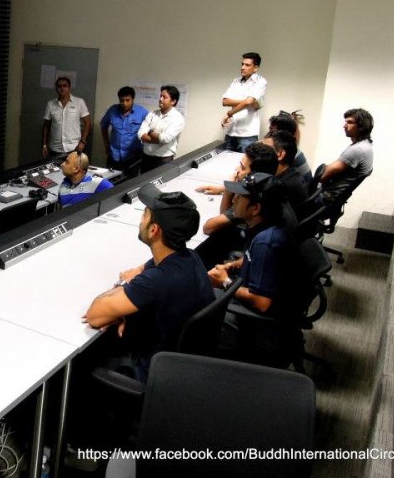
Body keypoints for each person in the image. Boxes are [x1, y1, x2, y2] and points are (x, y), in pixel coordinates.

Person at [83, 187, 214, 382]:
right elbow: (144, 270)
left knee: (86, 359)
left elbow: (95, 316)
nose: (140, 221)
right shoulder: (189, 257)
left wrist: (120, 297)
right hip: (183, 366)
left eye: (144, 216)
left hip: (149, 372)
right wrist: (127, 307)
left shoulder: (156, 281)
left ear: (153, 230)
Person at [207, 173, 294, 360]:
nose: (235, 199)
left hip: (258, 328)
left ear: (255, 208)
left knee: (192, 301)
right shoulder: (268, 226)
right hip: (260, 305)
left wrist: (225, 282)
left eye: (240, 197)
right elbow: (252, 258)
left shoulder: (266, 242)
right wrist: (231, 265)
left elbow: (262, 303)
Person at [193, 142, 279, 268]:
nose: (237, 170)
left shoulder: (253, 201)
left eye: (243, 168)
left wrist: (229, 189)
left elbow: (209, 227)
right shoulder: (272, 191)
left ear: (254, 176)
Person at [319, 108, 374, 207]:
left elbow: (322, 177)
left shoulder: (358, 149)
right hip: (332, 199)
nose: (344, 126)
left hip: (323, 199)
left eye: (350, 122)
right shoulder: (365, 146)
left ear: (361, 127)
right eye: (345, 122)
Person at [99, 86, 149, 177]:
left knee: (129, 183)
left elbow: (149, 130)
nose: (124, 103)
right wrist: (106, 143)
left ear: (133, 99)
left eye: (127, 100)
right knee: (111, 182)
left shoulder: (142, 112)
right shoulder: (113, 110)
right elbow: (103, 125)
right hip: (114, 155)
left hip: (133, 156)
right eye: (122, 100)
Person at [221, 52, 267, 152]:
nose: (242, 67)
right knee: (225, 164)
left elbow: (248, 102)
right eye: (242, 64)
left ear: (255, 68)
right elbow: (225, 101)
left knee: (246, 165)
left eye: (247, 65)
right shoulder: (236, 81)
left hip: (248, 135)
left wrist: (229, 113)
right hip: (231, 132)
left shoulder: (261, 81)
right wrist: (249, 101)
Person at [137, 85, 185, 173]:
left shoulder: (178, 118)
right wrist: (157, 138)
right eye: (160, 96)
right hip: (146, 157)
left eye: (164, 97)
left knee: (161, 185)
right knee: (143, 185)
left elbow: (165, 139)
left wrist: (149, 131)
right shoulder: (152, 114)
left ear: (173, 101)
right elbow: (140, 134)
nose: (160, 99)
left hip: (163, 160)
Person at [42, 76, 91, 158]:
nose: (62, 88)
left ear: (69, 87)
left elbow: (88, 123)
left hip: (74, 148)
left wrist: (83, 141)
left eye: (65, 86)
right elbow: (46, 126)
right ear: (56, 88)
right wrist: (44, 145)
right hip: (55, 149)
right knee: (55, 170)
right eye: (59, 86)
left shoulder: (79, 102)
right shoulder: (50, 104)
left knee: (73, 171)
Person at [262, 130, 308, 214]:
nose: (260, 152)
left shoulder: (280, 185)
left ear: (280, 154)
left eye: (264, 149)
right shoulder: (291, 173)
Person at [269, 110, 312, 186]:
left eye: (272, 132)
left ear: (283, 133)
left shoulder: (285, 154)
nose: (270, 135)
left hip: (299, 191)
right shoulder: (291, 147)